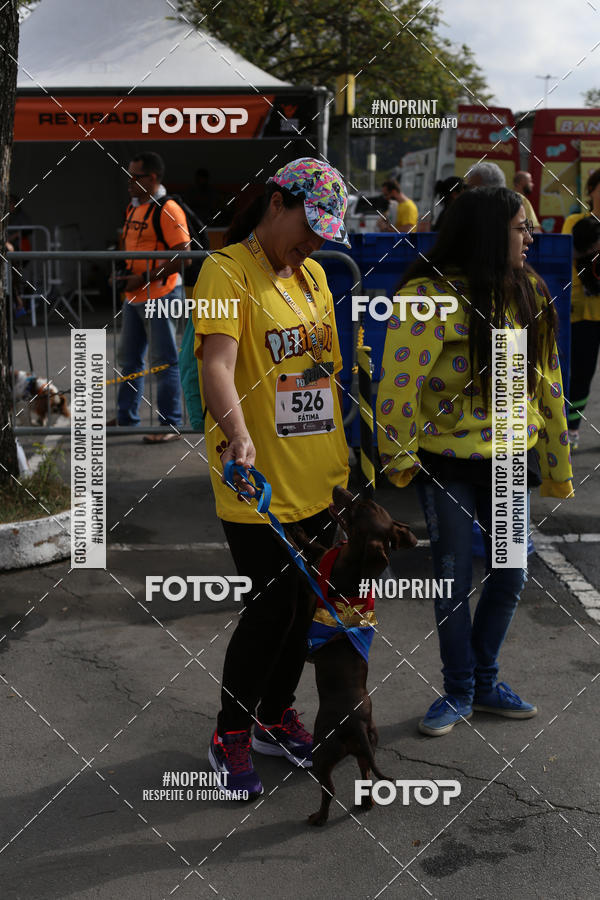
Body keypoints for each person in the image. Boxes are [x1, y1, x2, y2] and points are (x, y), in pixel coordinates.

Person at [376, 187, 573, 736]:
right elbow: (398, 386)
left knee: (510, 575)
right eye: (521, 227)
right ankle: (459, 689)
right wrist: (398, 456)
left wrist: (556, 462)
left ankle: (483, 682)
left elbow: (545, 381)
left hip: (509, 460)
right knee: (452, 579)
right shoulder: (426, 297)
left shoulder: (528, 289)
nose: (531, 237)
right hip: (447, 465)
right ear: (488, 233)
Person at [193, 157, 351, 798]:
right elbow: (217, 365)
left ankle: (274, 715)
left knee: (305, 608)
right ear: (276, 203)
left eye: (324, 234)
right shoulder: (225, 269)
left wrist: (346, 458)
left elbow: (322, 372)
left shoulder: (314, 276)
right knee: (270, 609)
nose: (313, 243)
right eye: (309, 227)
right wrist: (238, 434)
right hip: (255, 479)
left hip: (319, 475)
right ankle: (229, 734)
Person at [111, 152, 190, 442]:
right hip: (134, 295)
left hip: (161, 295)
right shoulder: (133, 208)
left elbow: (184, 257)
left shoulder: (168, 209)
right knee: (130, 360)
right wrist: (122, 273)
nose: (129, 181)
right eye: (128, 175)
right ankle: (126, 417)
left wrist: (144, 277)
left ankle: (170, 424)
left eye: (136, 176)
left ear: (152, 178)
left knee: (164, 361)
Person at [561, 168, 600, 449]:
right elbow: (567, 256)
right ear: (591, 191)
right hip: (583, 311)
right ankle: (571, 430)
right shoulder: (575, 221)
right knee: (581, 373)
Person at [467, 162, 542, 232]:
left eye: (473, 189)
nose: (532, 184)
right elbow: (535, 230)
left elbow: (534, 230)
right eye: (530, 181)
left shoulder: (519, 200)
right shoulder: (519, 200)